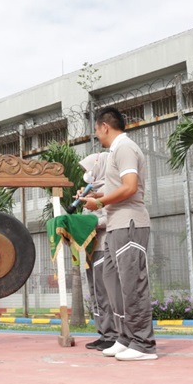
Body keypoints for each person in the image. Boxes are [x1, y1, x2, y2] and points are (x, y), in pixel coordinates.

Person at [81, 107, 157, 361]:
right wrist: (96, 197)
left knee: (132, 284)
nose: (97, 135)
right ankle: (125, 337)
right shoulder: (115, 151)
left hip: (129, 223)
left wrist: (100, 204)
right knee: (115, 285)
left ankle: (144, 343)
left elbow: (130, 187)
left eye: (96, 130)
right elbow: (118, 189)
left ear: (104, 126)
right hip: (115, 225)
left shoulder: (124, 147)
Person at [78, 151, 117, 352]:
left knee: (104, 292)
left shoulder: (111, 189)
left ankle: (112, 334)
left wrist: (92, 223)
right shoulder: (90, 191)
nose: (87, 174)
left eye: (89, 170)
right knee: (94, 292)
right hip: (91, 247)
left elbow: (110, 218)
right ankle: (103, 333)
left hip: (103, 246)